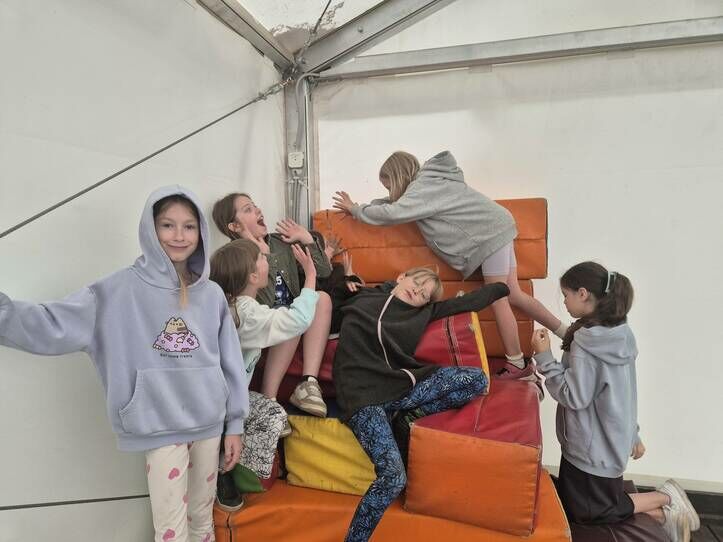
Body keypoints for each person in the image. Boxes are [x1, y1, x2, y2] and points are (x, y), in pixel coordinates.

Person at [0, 186, 249, 542]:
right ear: (151, 229)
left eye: (189, 226)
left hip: (208, 425)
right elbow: (54, 323)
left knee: (202, 521)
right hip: (160, 426)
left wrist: (235, 423)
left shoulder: (211, 296)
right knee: (171, 531)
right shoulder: (118, 290)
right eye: (167, 225)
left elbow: (230, 362)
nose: (179, 236)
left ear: (201, 232)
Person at [333, 150, 566, 372]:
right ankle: (565, 331)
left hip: (490, 235)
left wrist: (356, 210)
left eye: (389, 186)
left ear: (398, 177)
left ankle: (516, 364)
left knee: (499, 297)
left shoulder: (423, 189)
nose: (390, 191)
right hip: (499, 225)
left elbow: (393, 212)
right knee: (514, 293)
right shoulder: (433, 181)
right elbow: (395, 203)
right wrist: (363, 207)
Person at [332, 267, 510, 542]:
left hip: (400, 388)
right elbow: (329, 297)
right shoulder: (363, 296)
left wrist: (505, 287)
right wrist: (344, 282)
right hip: (362, 397)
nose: (417, 291)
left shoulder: (424, 312)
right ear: (401, 277)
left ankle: (409, 418)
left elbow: (469, 302)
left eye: (424, 295)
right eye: (416, 283)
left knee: (476, 379)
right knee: (393, 478)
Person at [531, 261, 699, 542]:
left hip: (592, 448)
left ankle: (665, 497)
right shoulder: (616, 333)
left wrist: (544, 358)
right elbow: (625, 392)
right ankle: (665, 516)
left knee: (593, 512)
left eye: (566, 295)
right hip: (602, 442)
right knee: (579, 506)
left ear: (583, 293)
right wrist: (633, 433)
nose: (564, 302)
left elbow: (574, 396)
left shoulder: (587, 343)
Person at [209, 238, 319, 510]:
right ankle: (224, 471)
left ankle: (226, 462)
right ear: (253, 276)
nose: (266, 259)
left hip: (226, 398)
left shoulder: (235, 305)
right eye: (261, 257)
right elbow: (298, 320)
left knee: (269, 411)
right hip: (218, 404)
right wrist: (310, 276)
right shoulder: (246, 314)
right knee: (271, 415)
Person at [212, 193, 332, 417]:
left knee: (322, 298)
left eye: (255, 206)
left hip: (290, 314)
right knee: (286, 312)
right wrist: (263, 255)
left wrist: (307, 239)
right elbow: (263, 301)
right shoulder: (237, 258)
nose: (258, 210)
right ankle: (269, 399)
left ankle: (308, 383)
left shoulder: (281, 241)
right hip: (267, 320)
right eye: (248, 209)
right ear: (235, 226)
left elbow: (324, 272)